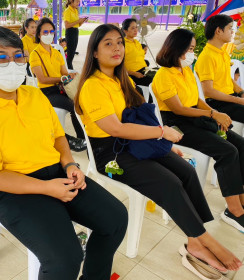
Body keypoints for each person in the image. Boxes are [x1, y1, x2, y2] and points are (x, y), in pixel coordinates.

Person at [0, 26, 128, 280]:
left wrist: (70, 164)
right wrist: (47, 188)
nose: (13, 64)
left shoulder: (34, 96)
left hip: (57, 173)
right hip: (15, 192)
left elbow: (58, 136)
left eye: (18, 56)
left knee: (115, 219)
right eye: (2, 58)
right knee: (65, 258)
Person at [74, 24, 242, 273]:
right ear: (95, 52)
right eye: (108, 43)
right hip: (110, 155)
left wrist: (162, 144)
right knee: (169, 182)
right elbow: (116, 129)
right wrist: (162, 133)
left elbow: (141, 119)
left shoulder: (122, 81)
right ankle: (204, 238)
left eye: (119, 42)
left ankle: (195, 239)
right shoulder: (93, 86)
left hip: (135, 143)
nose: (117, 48)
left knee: (186, 171)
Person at [153, 28, 244, 233]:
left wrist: (214, 112)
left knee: (239, 144)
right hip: (177, 122)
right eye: (188, 49)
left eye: (193, 49)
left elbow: (196, 101)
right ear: (175, 48)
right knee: (227, 151)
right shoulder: (164, 75)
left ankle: (241, 198)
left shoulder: (185, 70)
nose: (191, 54)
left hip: (195, 116)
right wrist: (212, 115)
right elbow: (178, 108)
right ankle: (234, 211)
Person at [30, 18, 86, 152]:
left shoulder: (56, 53)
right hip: (47, 92)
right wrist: (62, 78)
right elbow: (42, 79)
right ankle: (79, 140)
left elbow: (65, 73)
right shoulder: (35, 54)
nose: (49, 35)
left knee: (81, 101)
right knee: (73, 106)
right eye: (45, 32)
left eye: (51, 32)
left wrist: (70, 76)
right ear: (39, 34)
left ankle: (84, 136)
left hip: (61, 88)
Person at [195, 15, 244, 124]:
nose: (232, 32)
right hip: (217, 103)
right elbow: (208, 90)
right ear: (218, 31)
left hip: (230, 98)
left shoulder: (222, 52)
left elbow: (227, 78)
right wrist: (238, 100)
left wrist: (241, 92)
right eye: (230, 28)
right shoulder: (207, 56)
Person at [121, 18, 152, 87]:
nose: (136, 30)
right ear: (125, 31)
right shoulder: (122, 45)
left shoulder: (136, 42)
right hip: (133, 74)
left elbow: (138, 55)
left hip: (144, 70)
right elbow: (118, 66)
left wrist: (144, 49)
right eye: (132, 28)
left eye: (136, 27)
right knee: (156, 82)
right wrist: (134, 73)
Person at [63, 0, 87, 70]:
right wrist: (78, 21)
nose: (78, 4)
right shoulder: (67, 11)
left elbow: (78, 24)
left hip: (75, 31)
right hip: (70, 32)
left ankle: (69, 67)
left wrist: (82, 21)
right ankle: (69, 69)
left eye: (79, 2)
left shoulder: (75, 10)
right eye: (77, 2)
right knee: (70, 52)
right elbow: (67, 25)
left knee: (73, 51)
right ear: (71, 1)